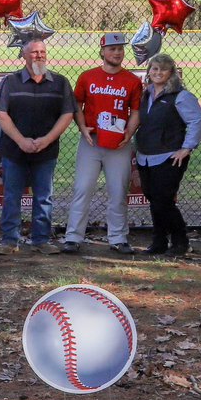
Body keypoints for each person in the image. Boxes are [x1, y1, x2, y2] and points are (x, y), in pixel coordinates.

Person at [0, 39, 76, 255]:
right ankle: (10, 241)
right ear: (24, 55)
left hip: (46, 151)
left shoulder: (60, 82)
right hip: (14, 150)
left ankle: (41, 240)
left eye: (42, 52)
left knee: (43, 196)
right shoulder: (10, 81)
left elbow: (67, 114)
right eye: (34, 52)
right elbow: (1, 114)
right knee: (12, 196)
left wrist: (47, 140)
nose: (39, 56)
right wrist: (21, 140)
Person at [62, 32, 143, 255]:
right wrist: (81, 126)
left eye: (120, 49)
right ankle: (73, 237)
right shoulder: (88, 77)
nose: (117, 53)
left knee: (118, 191)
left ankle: (118, 237)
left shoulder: (132, 80)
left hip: (118, 144)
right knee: (82, 188)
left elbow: (135, 111)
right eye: (112, 49)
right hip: (92, 141)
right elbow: (77, 104)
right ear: (103, 51)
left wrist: (130, 132)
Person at [135, 53, 201, 256]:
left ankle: (180, 242)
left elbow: (197, 122)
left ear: (171, 73)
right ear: (149, 72)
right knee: (154, 199)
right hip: (146, 156)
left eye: (163, 69)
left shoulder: (181, 96)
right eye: (154, 69)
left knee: (163, 200)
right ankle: (159, 242)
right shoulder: (146, 93)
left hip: (170, 156)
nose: (158, 73)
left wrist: (186, 148)